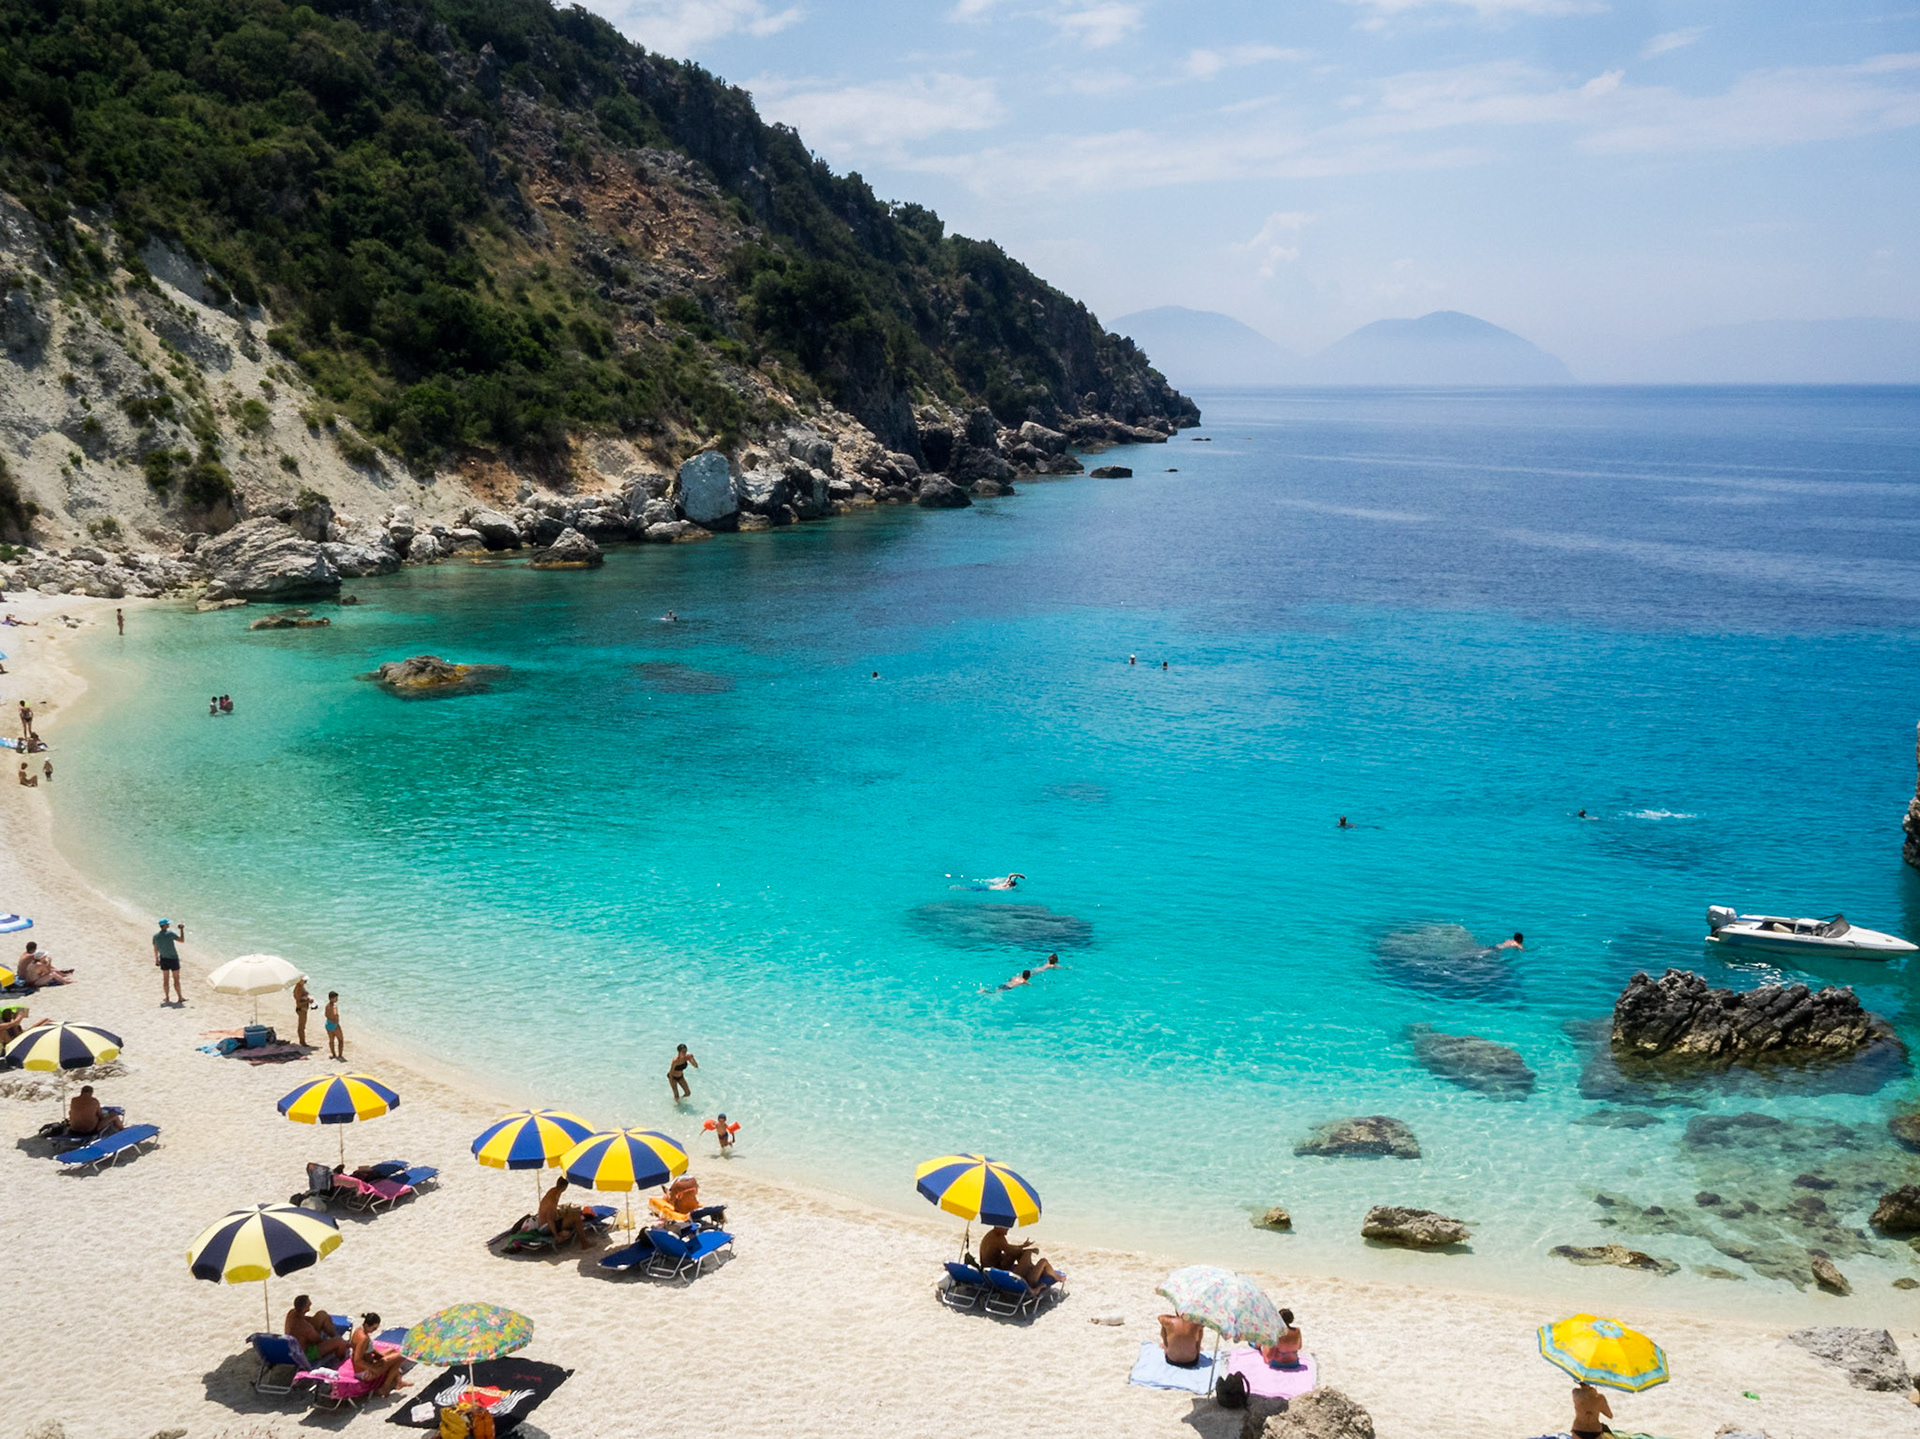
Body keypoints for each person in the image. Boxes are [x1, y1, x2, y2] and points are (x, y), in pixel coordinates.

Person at [980, 1225, 1060, 1289]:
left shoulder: (991, 1235)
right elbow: (1011, 1250)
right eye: (1006, 1228)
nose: (1008, 1230)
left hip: (991, 1273)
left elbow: (1008, 1248)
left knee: (1016, 1254)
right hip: (1007, 1276)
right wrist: (1030, 1251)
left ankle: (1031, 1267)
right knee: (1040, 1259)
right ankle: (1056, 1277)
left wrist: (1023, 1246)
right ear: (999, 1226)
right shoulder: (998, 1239)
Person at [348, 1313, 406, 1395]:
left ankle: (398, 1382)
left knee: (392, 1351)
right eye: (374, 1328)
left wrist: (379, 1354)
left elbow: (367, 1348)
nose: (374, 1330)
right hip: (365, 1372)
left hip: (366, 1365)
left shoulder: (359, 1330)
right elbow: (357, 1360)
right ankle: (385, 1387)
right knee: (399, 1356)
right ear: (367, 1325)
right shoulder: (363, 1338)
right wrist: (373, 1369)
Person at [285, 1295, 349, 1366]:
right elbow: (318, 1340)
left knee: (322, 1314)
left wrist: (319, 1320)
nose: (311, 1303)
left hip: (294, 1347)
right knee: (339, 1341)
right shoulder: (305, 1327)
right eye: (309, 1303)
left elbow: (304, 1319)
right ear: (305, 1308)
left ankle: (334, 1335)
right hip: (306, 1353)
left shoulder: (291, 1313)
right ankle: (340, 1360)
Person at [537, 1175, 584, 1246]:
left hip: (544, 1224)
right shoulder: (553, 1198)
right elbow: (549, 1219)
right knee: (576, 1216)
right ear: (565, 1187)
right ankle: (585, 1244)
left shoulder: (553, 1191)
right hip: (545, 1227)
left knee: (571, 1213)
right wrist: (556, 1236)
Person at [153, 919, 184, 1005]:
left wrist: (156, 959)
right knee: (176, 979)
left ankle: (167, 998)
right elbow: (181, 940)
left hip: (163, 959)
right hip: (173, 958)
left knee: (165, 980)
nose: (168, 925)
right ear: (165, 925)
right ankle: (180, 997)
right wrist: (181, 929)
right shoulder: (170, 934)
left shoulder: (156, 936)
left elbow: (155, 949)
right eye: (167, 924)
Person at [293, 975, 315, 1048]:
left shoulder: (301, 986)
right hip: (301, 1009)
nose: (305, 981)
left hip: (303, 1009)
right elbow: (298, 1002)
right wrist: (308, 1001)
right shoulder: (298, 988)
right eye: (304, 980)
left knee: (302, 1026)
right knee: (301, 1026)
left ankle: (302, 1041)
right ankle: (302, 1042)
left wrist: (308, 1000)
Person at [325, 991, 344, 1059]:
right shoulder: (334, 1006)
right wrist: (336, 1020)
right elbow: (335, 1014)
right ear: (332, 998)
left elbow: (326, 1015)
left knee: (331, 1040)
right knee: (341, 1040)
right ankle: (340, 1055)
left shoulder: (327, 1005)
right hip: (334, 1025)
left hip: (328, 1024)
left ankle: (333, 1054)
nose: (337, 999)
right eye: (336, 998)